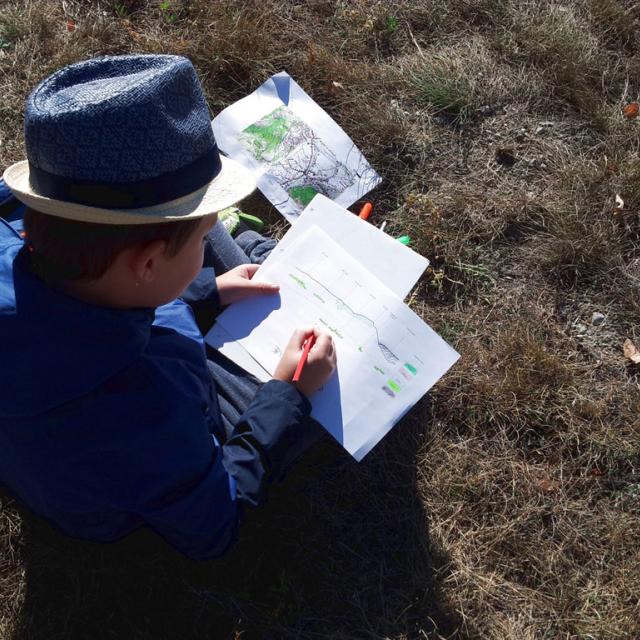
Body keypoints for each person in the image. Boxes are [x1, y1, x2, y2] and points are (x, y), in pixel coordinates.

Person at [0, 54, 336, 559]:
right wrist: (288, 395)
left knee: (211, 229)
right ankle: (258, 249)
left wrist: (206, 289)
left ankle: (248, 249)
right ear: (149, 264)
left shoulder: (24, 225)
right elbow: (215, 524)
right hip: (134, 436)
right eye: (198, 239)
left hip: (79, 357)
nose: (204, 240)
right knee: (325, 378)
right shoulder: (151, 404)